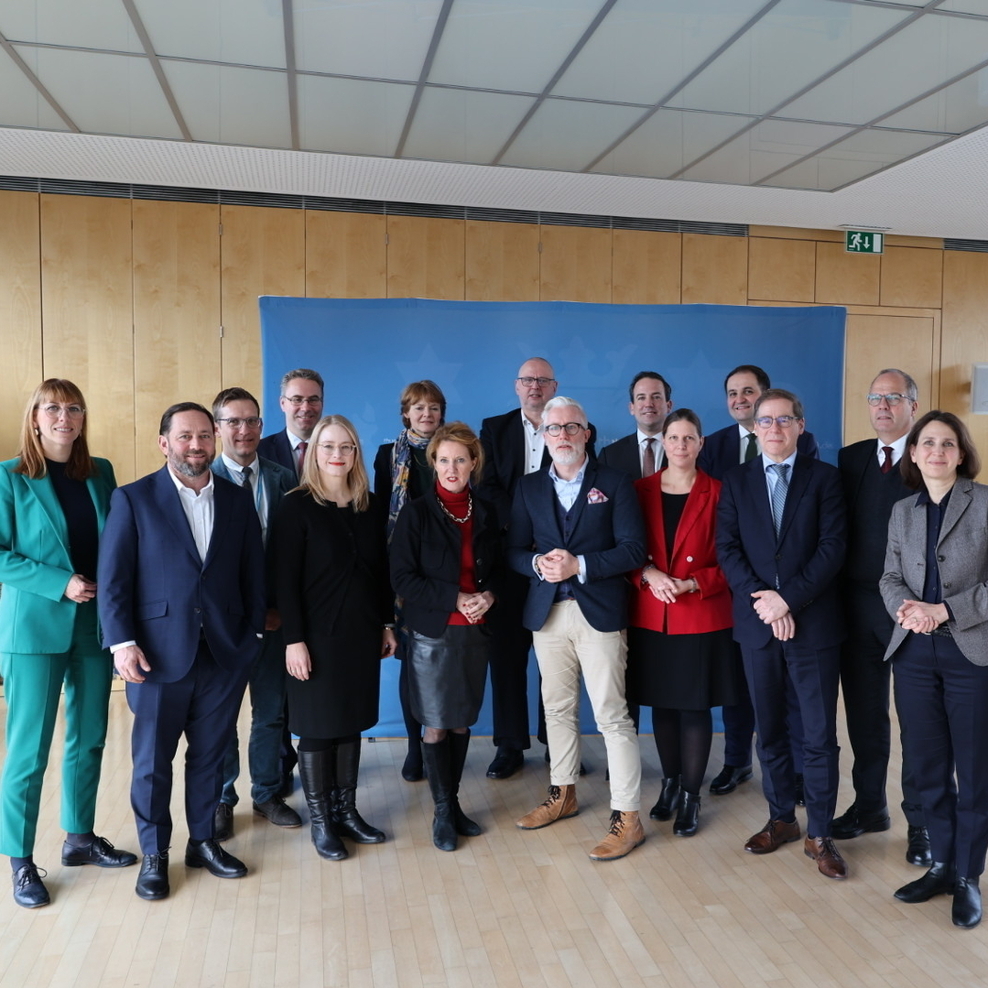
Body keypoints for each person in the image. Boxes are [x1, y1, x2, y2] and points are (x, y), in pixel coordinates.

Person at [99, 402, 266, 901]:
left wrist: (253, 636)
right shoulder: (133, 499)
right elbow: (114, 580)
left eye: (203, 436)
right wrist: (122, 644)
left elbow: (253, 577)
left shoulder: (237, 501)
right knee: (152, 762)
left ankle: (203, 841)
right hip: (155, 657)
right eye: (184, 436)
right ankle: (154, 854)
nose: (195, 445)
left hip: (222, 655)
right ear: (164, 442)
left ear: (214, 440)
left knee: (210, 757)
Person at [0, 380, 137, 909]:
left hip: (94, 625)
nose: (64, 416)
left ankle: (79, 838)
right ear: (34, 417)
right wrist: (59, 582)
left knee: (91, 735)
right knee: (28, 749)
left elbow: (119, 541)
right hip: (34, 629)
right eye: (52, 407)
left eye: (74, 407)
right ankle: (19, 860)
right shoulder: (10, 477)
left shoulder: (99, 471)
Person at [716, 388, 848, 881]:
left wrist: (787, 600)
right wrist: (766, 603)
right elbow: (727, 549)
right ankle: (781, 819)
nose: (774, 428)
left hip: (813, 625)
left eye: (784, 420)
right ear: (754, 428)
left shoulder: (826, 480)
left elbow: (832, 549)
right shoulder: (735, 481)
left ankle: (820, 832)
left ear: (800, 425)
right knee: (768, 729)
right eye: (765, 421)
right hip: (757, 627)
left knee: (817, 735)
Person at [509, 397, 647, 861]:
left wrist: (580, 564)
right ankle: (562, 793)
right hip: (547, 614)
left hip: (600, 612)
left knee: (611, 714)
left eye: (572, 427)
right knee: (557, 710)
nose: (562, 436)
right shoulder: (528, 487)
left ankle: (628, 817)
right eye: (554, 429)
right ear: (543, 436)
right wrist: (535, 563)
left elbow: (633, 550)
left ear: (587, 433)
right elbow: (512, 552)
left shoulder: (614, 483)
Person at [880, 410, 988, 929]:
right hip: (915, 654)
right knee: (926, 768)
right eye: (928, 443)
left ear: (961, 454)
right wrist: (907, 608)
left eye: (948, 444)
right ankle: (942, 864)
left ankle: (968, 877)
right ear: (914, 453)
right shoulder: (903, 511)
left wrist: (945, 611)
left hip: (971, 653)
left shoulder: (985, 503)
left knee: (974, 772)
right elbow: (889, 576)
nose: (937, 452)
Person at [272, 414, 397, 861]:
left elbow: (381, 573)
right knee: (318, 730)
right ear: (314, 452)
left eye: (346, 447)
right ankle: (322, 821)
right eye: (328, 446)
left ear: (356, 454)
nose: (337, 455)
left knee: (350, 724)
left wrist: (386, 623)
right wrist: (294, 639)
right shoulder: (295, 505)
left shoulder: (371, 504)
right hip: (313, 638)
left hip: (360, 635)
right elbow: (283, 581)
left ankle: (347, 811)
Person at [699, 364, 817, 801]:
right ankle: (736, 762)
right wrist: (761, 598)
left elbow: (806, 530)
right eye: (732, 393)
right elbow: (724, 535)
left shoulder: (802, 450)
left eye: (749, 392)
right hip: (742, 595)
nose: (740, 400)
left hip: (796, 599)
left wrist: (785, 599)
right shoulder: (715, 447)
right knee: (740, 691)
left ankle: (800, 777)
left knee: (794, 701)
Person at [479, 359, 596, 779]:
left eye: (543, 380)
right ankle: (509, 745)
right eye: (528, 380)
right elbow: (486, 484)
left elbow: (582, 487)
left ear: (554, 386)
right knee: (507, 655)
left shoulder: (574, 429)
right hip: (511, 556)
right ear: (517, 386)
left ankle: (557, 745)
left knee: (559, 656)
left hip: (559, 560)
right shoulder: (495, 428)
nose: (535, 386)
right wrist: (524, 521)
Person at [390, 422, 499, 851]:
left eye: (460, 459)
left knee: (460, 722)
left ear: (474, 463)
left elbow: (504, 571)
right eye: (443, 459)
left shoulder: (487, 511)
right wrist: (454, 598)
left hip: (476, 633)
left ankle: (453, 805)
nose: (451, 467)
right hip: (432, 634)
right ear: (432, 463)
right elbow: (401, 576)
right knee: (435, 726)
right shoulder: (416, 513)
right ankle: (441, 811)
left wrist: (488, 595)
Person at [835, 370, 929, 866]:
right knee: (866, 716)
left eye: (894, 398)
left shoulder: (931, 454)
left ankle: (922, 824)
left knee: (917, 721)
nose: (883, 406)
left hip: (915, 612)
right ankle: (871, 806)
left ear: (914, 405)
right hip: (857, 607)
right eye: (875, 398)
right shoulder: (850, 458)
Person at [627, 410, 735, 838]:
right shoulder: (639, 490)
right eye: (674, 437)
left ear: (701, 443)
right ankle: (669, 783)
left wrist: (694, 582)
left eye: (689, 438)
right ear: (663, 441)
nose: (680, 445)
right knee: (661, 705)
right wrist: (647, 576)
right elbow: (625, 550)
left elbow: (733, 558)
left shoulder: (721, 493)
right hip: (652, 613)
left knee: (694, 705)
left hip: (701, 613)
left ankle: (692, 794)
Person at [211, 387, 301, 840]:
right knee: (223, 717)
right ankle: (224, 798)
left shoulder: (285, 479)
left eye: (251, 422)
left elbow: (294, 555)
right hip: (223, 627)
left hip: (274, 622)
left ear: (262, 427)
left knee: (271, 714)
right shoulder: (200, 480)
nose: (243, 430)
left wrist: (278, 608)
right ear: (218, 429)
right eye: (233, 422)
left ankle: (266, 793)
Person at [374, 380, 447, 783]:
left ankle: (441, 742)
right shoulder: (389, 455)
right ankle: (414, 745)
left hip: (444, 570)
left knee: (440, 660)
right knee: (409, 663)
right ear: (406, 412)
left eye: (434, 408)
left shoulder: (453, 450)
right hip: (403, 570)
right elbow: (383, 513)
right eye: (419, 408)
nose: (426, 415)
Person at [598, 371, 673, 479]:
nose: (648, 404)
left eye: (656, 397)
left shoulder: (686, 450)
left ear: (669, 406)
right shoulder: (610, 456)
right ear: (631, 408)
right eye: (641, 398)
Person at [258, 368, 324, 479]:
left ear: (322, 402)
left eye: (313, 400)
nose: (306, 407)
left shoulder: (337, 451)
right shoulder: (260, 452)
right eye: (297, 399)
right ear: (283, 403)